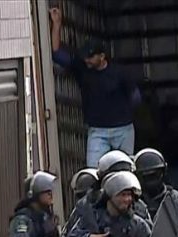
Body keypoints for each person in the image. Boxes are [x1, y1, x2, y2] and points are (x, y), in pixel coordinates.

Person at [49, 8, 139, 167]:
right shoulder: (82, 68)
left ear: (102, 57)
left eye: (90, 57)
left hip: (122, 129)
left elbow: (135, 96)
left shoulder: (119, 72)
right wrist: (57, 24)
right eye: (85, 57)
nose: (87, 60)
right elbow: (57, 54)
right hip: (98, 131)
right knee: (93, 172)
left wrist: (126, 114)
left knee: (125, 172)